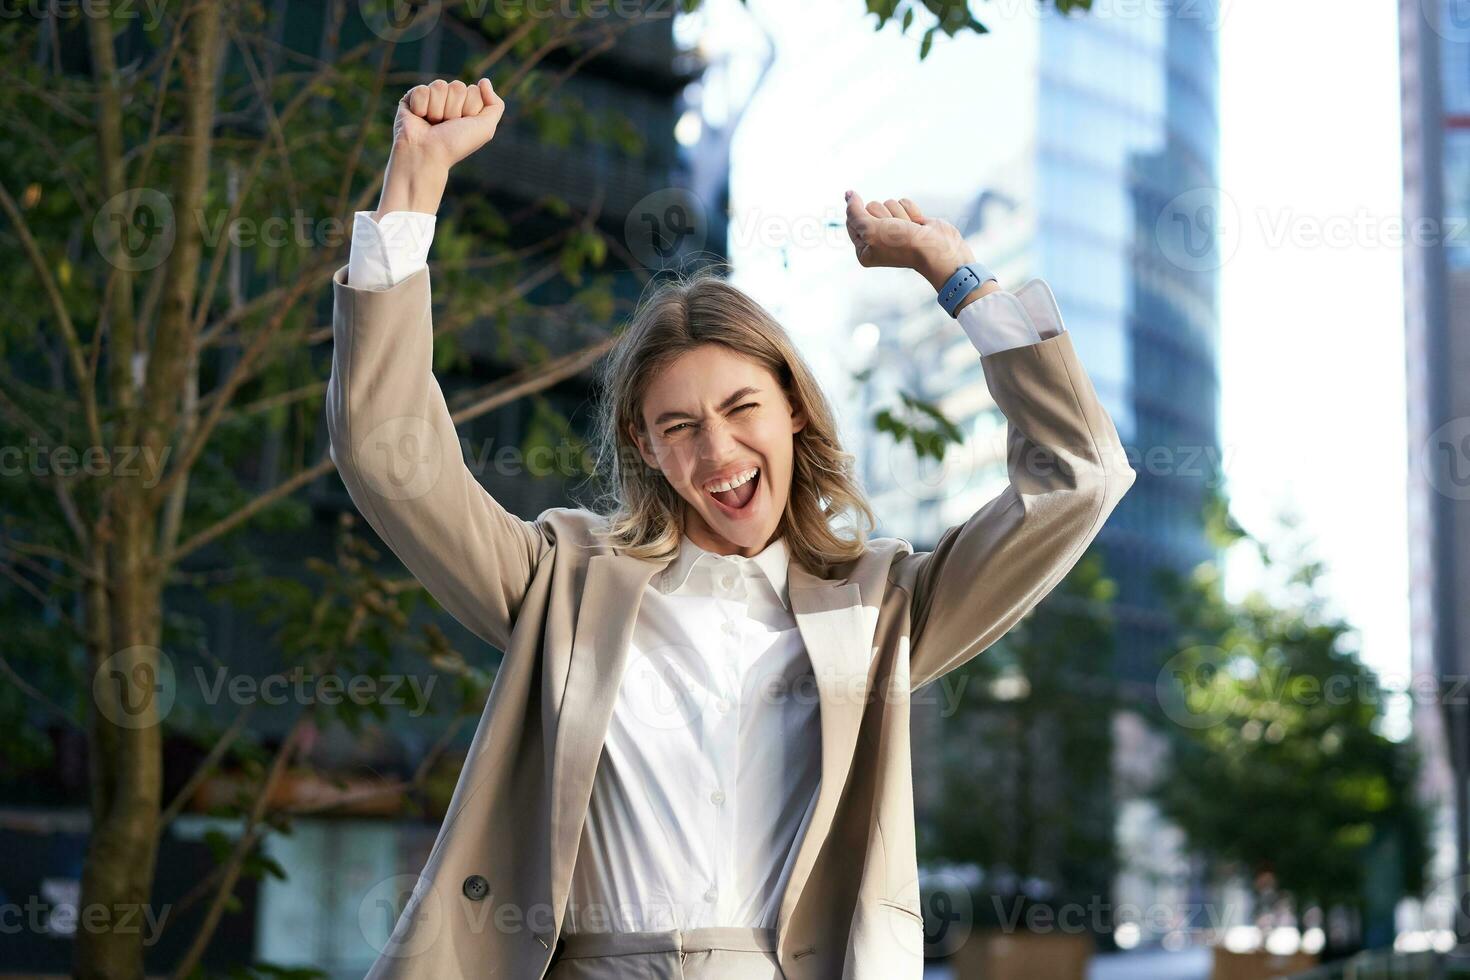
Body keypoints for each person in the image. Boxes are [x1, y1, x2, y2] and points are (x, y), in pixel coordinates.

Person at [326, 77, 1136, 980]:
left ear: (793, 406)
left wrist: (955, 275)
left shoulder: (883, 610)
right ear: (645, 446)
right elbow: (388, 455)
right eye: (678, 427)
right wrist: (416, 181)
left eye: (741, 406)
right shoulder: (562, 582)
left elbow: (1078, 479)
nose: (717, 451)